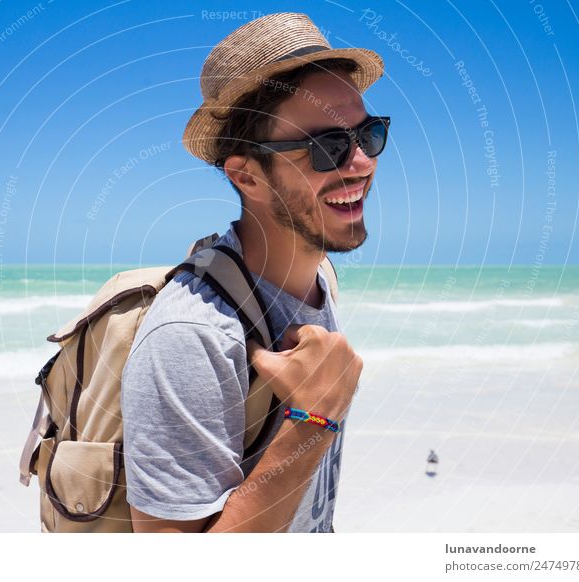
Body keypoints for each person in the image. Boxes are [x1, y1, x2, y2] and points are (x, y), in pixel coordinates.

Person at [120, 12, 389, 533]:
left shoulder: (320, 279)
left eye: (368, 134)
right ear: (248, 176)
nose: (360, 163)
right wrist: (314, 422)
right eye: (326, 147)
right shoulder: (193, 336)